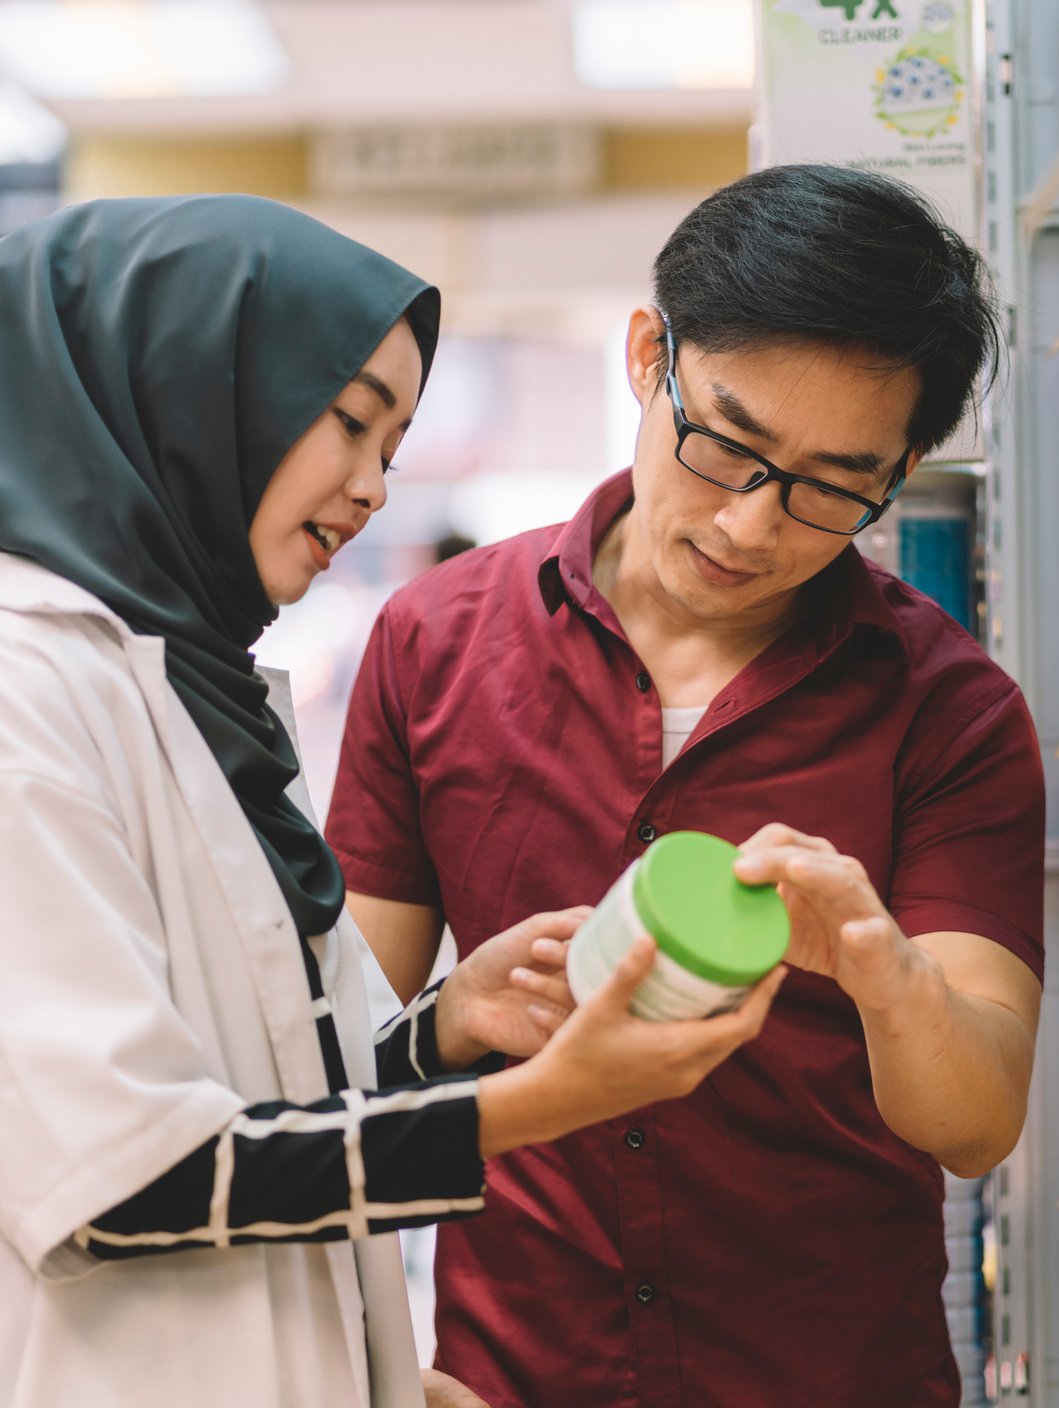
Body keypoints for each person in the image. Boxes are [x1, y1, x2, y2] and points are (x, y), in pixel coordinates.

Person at [0, 194, 784, 1408]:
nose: (370, 489)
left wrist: (447, 1028)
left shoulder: (191, 684)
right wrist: (536, 1107)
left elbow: (269, 1099)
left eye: (394, 448)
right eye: (348, 424)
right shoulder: (24, 695)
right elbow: (118, 1179)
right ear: (178, 388)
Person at [327, 163, 1045, 1408]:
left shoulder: (950, 706)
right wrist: (449, 1025)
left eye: (833, 486)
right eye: (728, 445)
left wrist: (884, 970)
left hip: (830, 1378)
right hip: (513, 1378)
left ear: (905, 462)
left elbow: (975, 1120)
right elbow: (334, 1045)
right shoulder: (433, 642)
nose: (754, 526)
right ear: (649, 354)